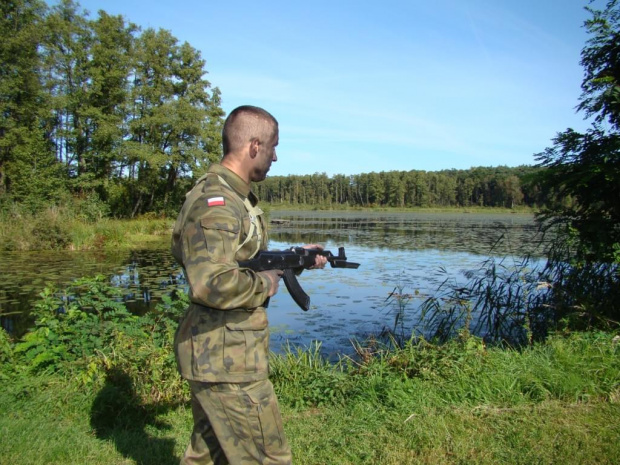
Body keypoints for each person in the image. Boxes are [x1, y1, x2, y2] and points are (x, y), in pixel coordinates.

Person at [171, 105, 326, 465]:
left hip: (219, 353)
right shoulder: (219, 203)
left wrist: (292, 258)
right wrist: (267, 285)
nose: (276, 156)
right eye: (273, 147)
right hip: (227, 360)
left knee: (208, 456)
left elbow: (241, 258)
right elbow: (212, 282)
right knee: (267, 457)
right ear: (254, 145)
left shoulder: (233, 196)